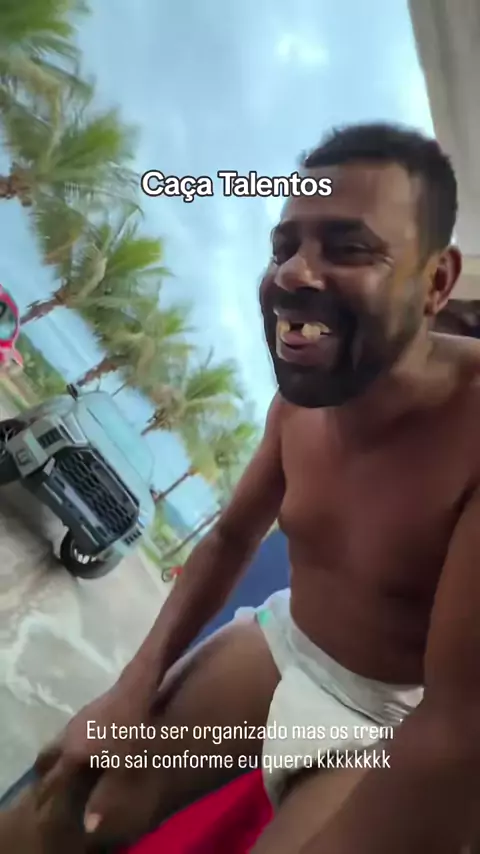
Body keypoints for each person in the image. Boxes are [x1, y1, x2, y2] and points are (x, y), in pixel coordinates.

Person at [2, 121, 480, 854]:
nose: (294, 274)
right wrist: (130, 689)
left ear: (437, 282)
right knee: (73, 798)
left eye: (349, 247)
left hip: (388, 722)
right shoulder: (303, 398)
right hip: (286, 643)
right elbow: (229, 537)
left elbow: (455, 727)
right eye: (285, 247)